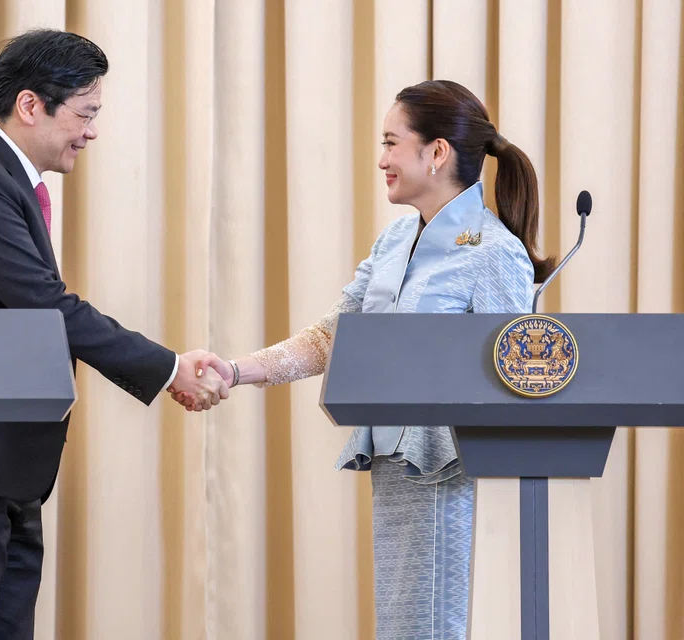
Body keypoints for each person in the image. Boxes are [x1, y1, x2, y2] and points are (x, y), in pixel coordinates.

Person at [177, 79, 554, 639]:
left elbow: (515, 380)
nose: (382, 160)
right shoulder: (395, 240)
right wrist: (235, 371)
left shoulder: (495, 252)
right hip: (397, 468)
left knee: (439, 627)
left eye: (391, 143)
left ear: (437, 152)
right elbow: (331, 337)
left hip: (455, 476)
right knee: (404, 626)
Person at [0, 29, 227, 640]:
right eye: (85, 113)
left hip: (8, 466)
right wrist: (167, 368)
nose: (92, 132)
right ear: (30, 105)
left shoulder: (3, 180)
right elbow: (48, 307)